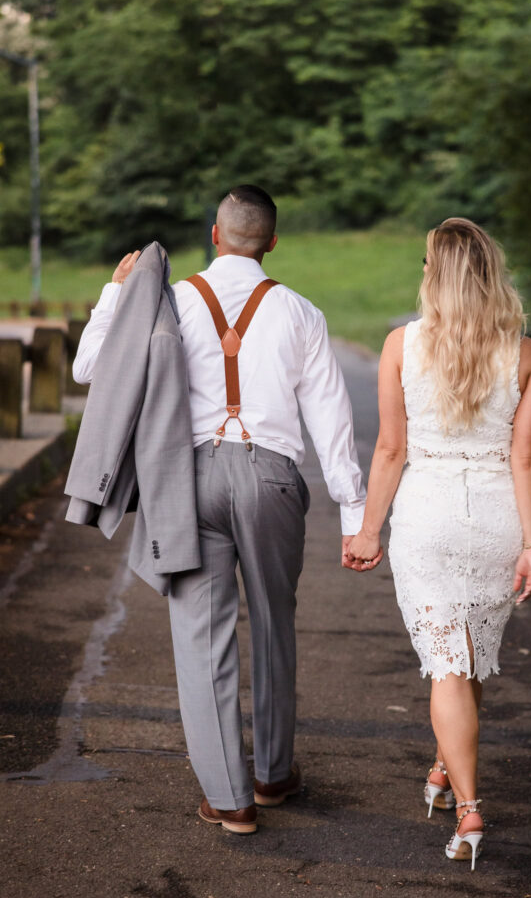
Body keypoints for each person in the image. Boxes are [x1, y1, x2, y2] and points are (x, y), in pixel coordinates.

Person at [73, 185, 366, 834]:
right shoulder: (299, 312)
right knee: (273, 622)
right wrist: (354, 514)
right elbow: (330, 418)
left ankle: (228, 798)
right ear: (273, 241)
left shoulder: (168, 300)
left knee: (201, 636)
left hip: (186, 476)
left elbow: (91, 367)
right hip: (271, 479)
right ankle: (272, 775)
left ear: (214, 235)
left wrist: (116, 293)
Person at [346, 218, 531, 870]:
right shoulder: (524, 353)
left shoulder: (402, 344)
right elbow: (525, 458)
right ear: (491, 275)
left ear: (434, 276)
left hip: (428, 517)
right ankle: (442, 768)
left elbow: (390, 448)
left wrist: (367, 528)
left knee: (452, 661)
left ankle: (467, 809)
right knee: (462, 658)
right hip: (494, 521)